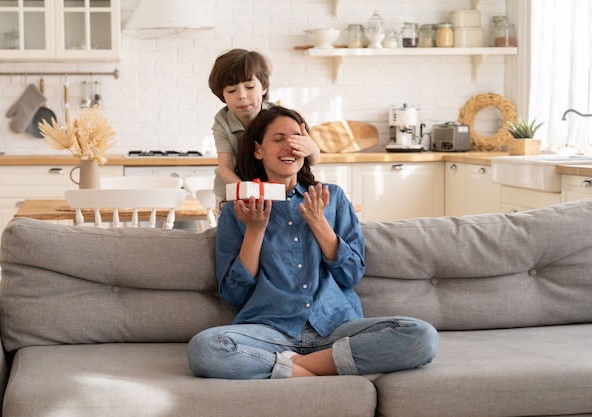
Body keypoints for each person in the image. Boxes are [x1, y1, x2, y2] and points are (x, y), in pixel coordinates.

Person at [187, 106, 438, 379]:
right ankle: (328, 369)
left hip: (335, 326)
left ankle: (292, 368)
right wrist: (256, 231)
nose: (290, 146)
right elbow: (233, 293)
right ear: (258, 150)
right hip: (270, 330)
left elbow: (351, 274)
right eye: (279, 138)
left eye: (296, 137)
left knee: (421, 336)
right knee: (205, 348)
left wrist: (318, 222)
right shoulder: (237, 209)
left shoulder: (334, 197)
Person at [208, 48, 321, 207]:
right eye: (232, 90)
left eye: (249, 87)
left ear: (264, 87)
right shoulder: (222, 121)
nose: (242, 96)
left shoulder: (277, 116)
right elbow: (225, 167)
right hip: (234, 189)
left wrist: (311, 148)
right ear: (222, 95)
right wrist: (247, 193)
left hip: (271, 188)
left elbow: (314, 160)